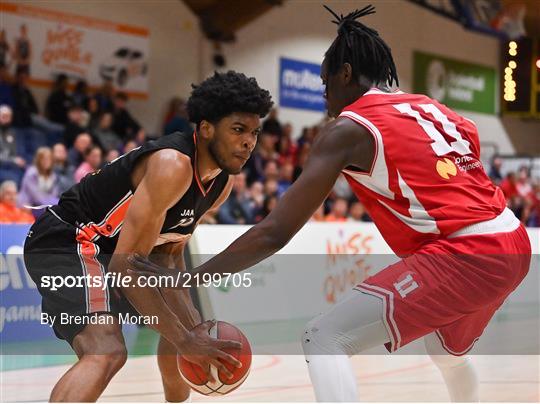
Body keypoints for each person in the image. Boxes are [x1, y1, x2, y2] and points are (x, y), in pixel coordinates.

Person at [129, 5, 531, 403]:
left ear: (345, 74)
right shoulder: (434, 108)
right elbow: (469, 154)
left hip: (466, 253)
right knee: (446, 353)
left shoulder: (347, 129)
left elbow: (274, 233)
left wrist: (186, 278)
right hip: (513, 240)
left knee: (324, 337)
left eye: (326, 85)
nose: (325, 97)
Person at [23, 70, 272, 402]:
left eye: (254, 132)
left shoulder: (221, 183)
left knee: (186, 325)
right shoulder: (173, 165)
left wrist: (191, 328)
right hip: (70, 238)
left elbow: (168, 256)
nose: (248, 142)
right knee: (107, 349)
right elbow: (126, 268)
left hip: (110, 249)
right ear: (207, 128)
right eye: (238, 130)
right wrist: (186, 340)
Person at [18, 147, 59, 218]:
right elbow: (36, 196)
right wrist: (55, 204)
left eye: (49, 159)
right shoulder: (31, 173)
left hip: (44, 207)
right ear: (38, 160)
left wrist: (58, 203)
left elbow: (54, 194)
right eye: (43, 159)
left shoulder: (53, 176)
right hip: (28, 206)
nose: (46, 161)